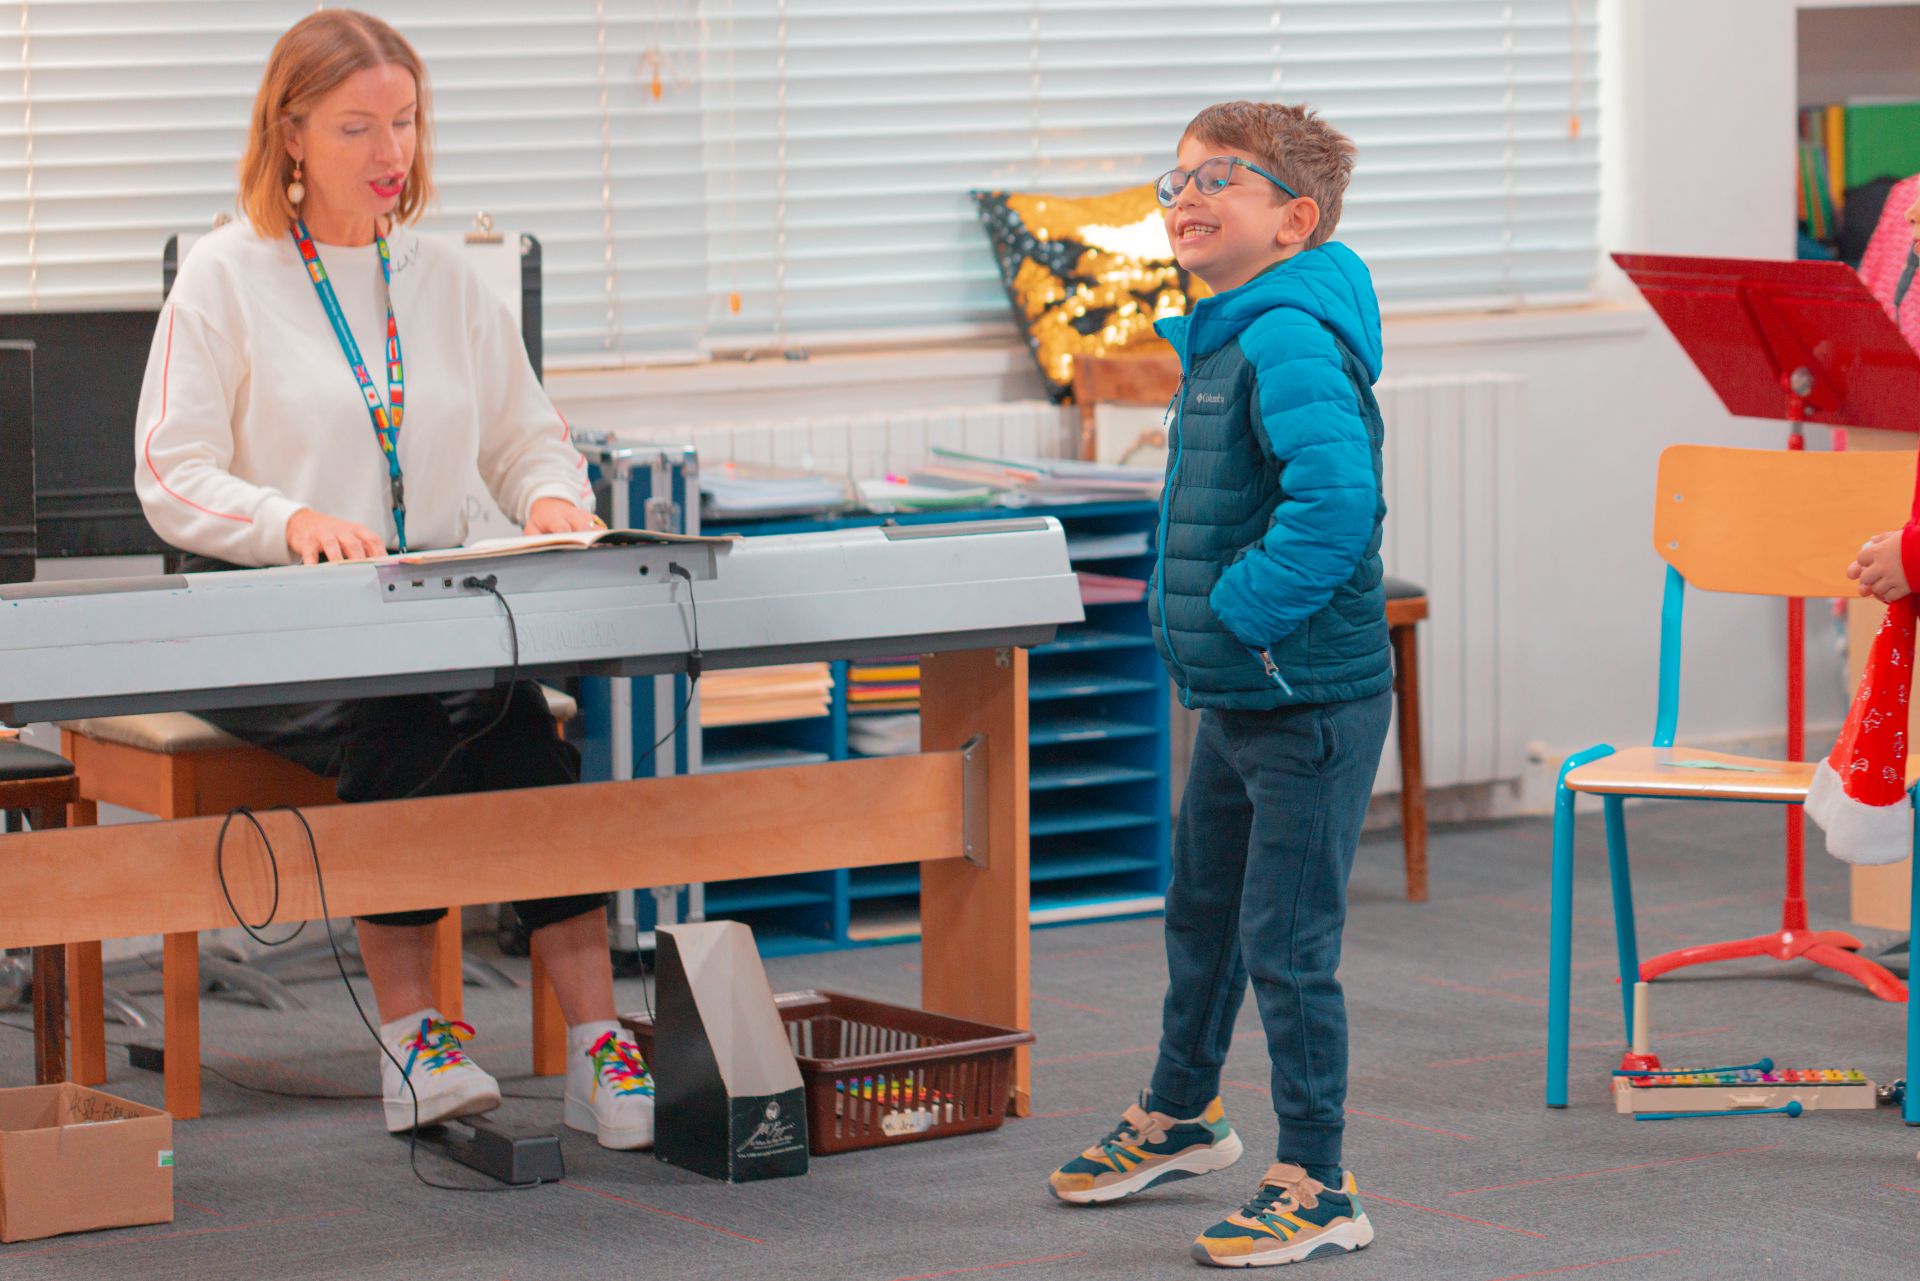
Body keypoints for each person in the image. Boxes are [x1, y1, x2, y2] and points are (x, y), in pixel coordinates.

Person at [132, 9, 653, 1151]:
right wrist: (291, 520)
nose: (390, 152)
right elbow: (170, 474)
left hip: (430, 621)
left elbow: (527, 439)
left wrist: (553, 499)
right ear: (291, 135)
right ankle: (415, 1041)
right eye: (359, 125)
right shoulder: (225, 274)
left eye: (405, 122)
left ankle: (602, 1048)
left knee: (522, 733)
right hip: (270, 627)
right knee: (409, 713)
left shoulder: (449, 278)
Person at [1046, 101, 1391, 1268]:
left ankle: (1318, 1179)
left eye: (1221, 180)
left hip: (1306, 698)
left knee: (1288, 943)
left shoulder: (1289, 332)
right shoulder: (1227, 330)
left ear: (1293, 219)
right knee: (1205, 919)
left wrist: (1240, 611)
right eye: (1177, 180)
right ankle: (1185, 1114)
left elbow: (1338, 504)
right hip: (1244, 697)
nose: (1185, 197)